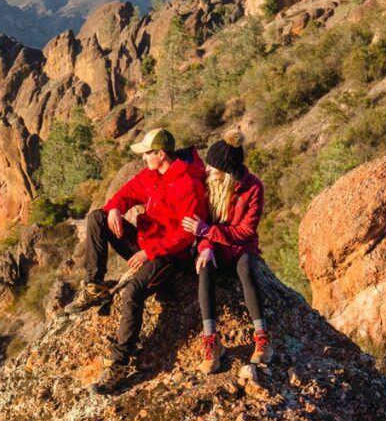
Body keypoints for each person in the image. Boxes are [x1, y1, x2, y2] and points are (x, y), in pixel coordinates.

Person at [72, 127, 206, 395]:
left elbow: (186, 234)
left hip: (170, 256)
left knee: (133, 292)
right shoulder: (152, 175)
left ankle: (119, 363)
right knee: (97, 218)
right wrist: (114, 209)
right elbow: (126, 193)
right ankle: (94, 285)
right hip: (147, 245)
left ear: (160, 153)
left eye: (147, 154)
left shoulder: (188, 185)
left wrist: (150, 252)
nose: (143, 159)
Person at [182, 128, 271, 375]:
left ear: (227, 171)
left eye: (212, 166)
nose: (207, 169)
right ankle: (212, 342)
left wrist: (208, 232)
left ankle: (262, 338)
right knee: (204, 269)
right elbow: (201, 227)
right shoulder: (207, 185)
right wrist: (207, 246)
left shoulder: (253, 188)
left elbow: (245, 231)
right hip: (216, 249)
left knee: (246, 270)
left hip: (242, 248)